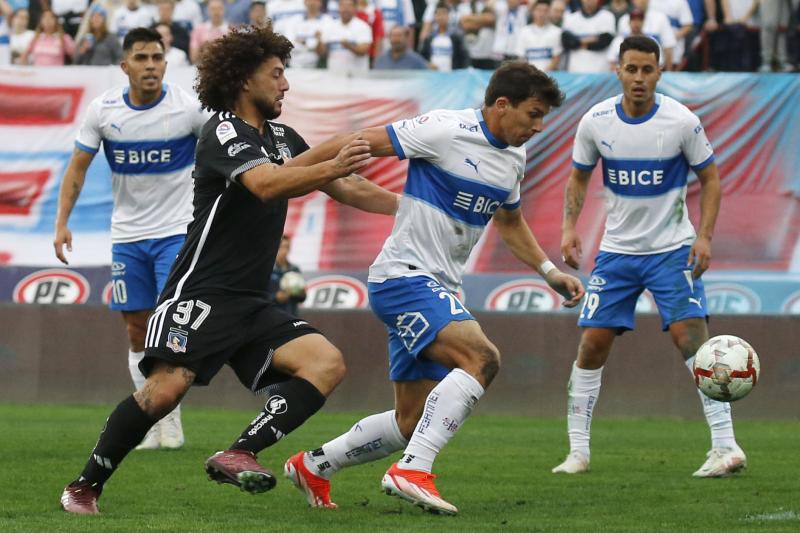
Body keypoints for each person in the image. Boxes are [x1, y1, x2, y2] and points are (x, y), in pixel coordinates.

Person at [59, 23, 398, 516]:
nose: (285, 84)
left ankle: (241, 452)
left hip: (250, 302)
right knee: (164, 392)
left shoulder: (283, 136)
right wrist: (331, 164)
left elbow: (348, 188)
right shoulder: (222, 131)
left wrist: (414, 209)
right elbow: (266, 184)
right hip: (201, 292)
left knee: (326, 363)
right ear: (244, 79)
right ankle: (85, 485)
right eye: (277, 73)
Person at [282, 61, 585, 515]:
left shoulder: (514, 158)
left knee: (410, 421)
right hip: (404, 277)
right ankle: (412, 470)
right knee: (482, 358)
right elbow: (355, 141)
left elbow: (509, 220)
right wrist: (282, 174)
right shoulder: (445, 129)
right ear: (502, 105)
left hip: (439, 286)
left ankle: (313, 466)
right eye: (533, 114)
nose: (539, 127)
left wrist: (547, 270)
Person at [552, 35, 744, 479]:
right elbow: (578, 178)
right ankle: (578, 453)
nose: (639, 78)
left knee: (690, 339)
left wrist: (706, 237)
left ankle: (726, 446)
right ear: (617, 71)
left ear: (660, 72)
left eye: (647, 70)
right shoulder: (595, 121)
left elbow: (711, 180)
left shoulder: (682, 121)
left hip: (672, 249)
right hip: (617, 254)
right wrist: (568, 227)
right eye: (631, 69)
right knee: (591, 345)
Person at [54, 27, 206, 452]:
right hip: (127, 237)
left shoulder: (188, 109)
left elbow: (225, 150)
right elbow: (77, 169)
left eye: (157, 57)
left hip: (176, 232)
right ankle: (148, 420)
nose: (151, 66)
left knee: (169, 326)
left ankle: (169, 417)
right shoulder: (103, 111)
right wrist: (61, 223)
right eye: (142, 58)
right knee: (136, 329)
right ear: (125, 66)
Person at [561, 0, 616, 72]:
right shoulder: (571, 18)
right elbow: (566, 42)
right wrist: (594, 39)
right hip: (575, 71)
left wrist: (577, 43)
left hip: (600, 71)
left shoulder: (607, 16)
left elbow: (604, 41)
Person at [320, 0, 372, 73]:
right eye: (343, 5)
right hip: (334, 75)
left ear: (355, 8)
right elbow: (322, 53)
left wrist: (349, 46)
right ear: (338, 8)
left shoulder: (363, 27)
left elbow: (363, 51)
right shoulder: (330, 26)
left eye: (349, 6)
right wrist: (319, 40)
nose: (345, 9)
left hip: (357, 76)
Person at [516, 0, 563, 72]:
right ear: (533, 11)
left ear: (549, 12)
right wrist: (530, 74)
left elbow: (556, 57)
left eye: (545, 11)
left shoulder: (557, 32)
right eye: (539, 10)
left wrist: (544, 74)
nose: (542, 14)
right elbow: (521, 57)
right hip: (529, 76)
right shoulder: (524, 32)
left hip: (550, 76)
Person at [420, 2, 469, 70]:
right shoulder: (429, 38)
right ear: (435, 17)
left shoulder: (456, 37)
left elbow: (464, 57)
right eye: (438, 14)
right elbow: (423, 57)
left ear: (448, 16)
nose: (441, 17)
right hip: (433, 75)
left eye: (444, 14)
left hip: (453, 75)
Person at [268, 234, 306, 315]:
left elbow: (302, 298)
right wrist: (275, 297)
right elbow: (260, 296)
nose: (285, 251)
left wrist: (301, 293)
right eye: (282, 247)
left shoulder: (295, 269)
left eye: (287, 247)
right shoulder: (268, 270)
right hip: (273, 316)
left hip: (292, 315)